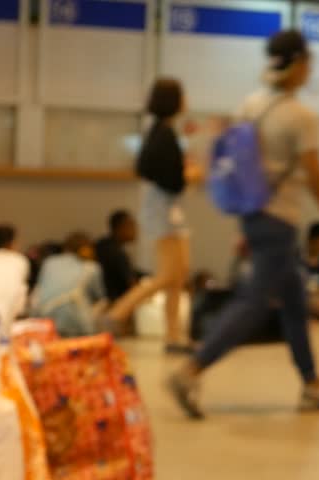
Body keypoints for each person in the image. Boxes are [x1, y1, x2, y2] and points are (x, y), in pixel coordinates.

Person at [168, 30, 319, 419]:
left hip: (254, 214)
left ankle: (312, 385)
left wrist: (244, 227)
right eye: (308, 62)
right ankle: (192, 369)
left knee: (293, 304)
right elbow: (317, 180)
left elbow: (242, 169)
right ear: (299, 66)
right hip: (279, 221)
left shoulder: (250, 106)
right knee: (254, 303)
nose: (310, 70)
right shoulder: (301, 117)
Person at [104, 79, 202, 353]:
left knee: (179, 273)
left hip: (169, 210)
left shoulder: (160, 132)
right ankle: (118, 313)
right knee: (168, 275)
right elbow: (171, 178)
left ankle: (174, 335)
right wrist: (189, 174)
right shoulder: (163, 134)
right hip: (165, 211)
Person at [31, 232, 107, 337]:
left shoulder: (49, 263)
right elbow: (101, 298)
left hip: (43, 321)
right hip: (76, 324)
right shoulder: (91, 268)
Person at [95, 210, 141, 303]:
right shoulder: (117, 253)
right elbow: (133, 287)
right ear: (121, 227)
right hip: (114, 303)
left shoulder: (101, 244)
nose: (136, 231)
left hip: (99, 300)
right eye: (132, 226)